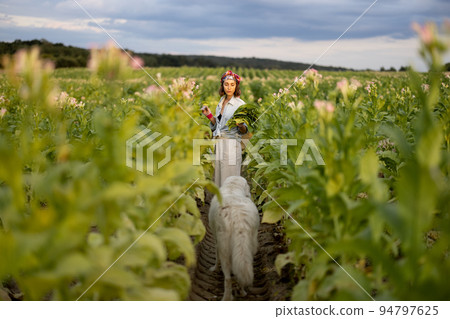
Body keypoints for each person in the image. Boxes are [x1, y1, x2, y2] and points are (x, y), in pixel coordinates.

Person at [201, 70, 249, 187]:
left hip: (231, 144)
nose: (229, 87)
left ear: (236, 86)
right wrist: (210, 115)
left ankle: (230, 204)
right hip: (219, 143)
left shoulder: (240, 104)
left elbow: (245, 130)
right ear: (222, 85)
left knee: (230, 180)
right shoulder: (221, 102)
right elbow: (218, 126)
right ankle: (221, 205)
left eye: (232, 85)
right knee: (219, 179)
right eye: (226, 84)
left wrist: (241, 126)